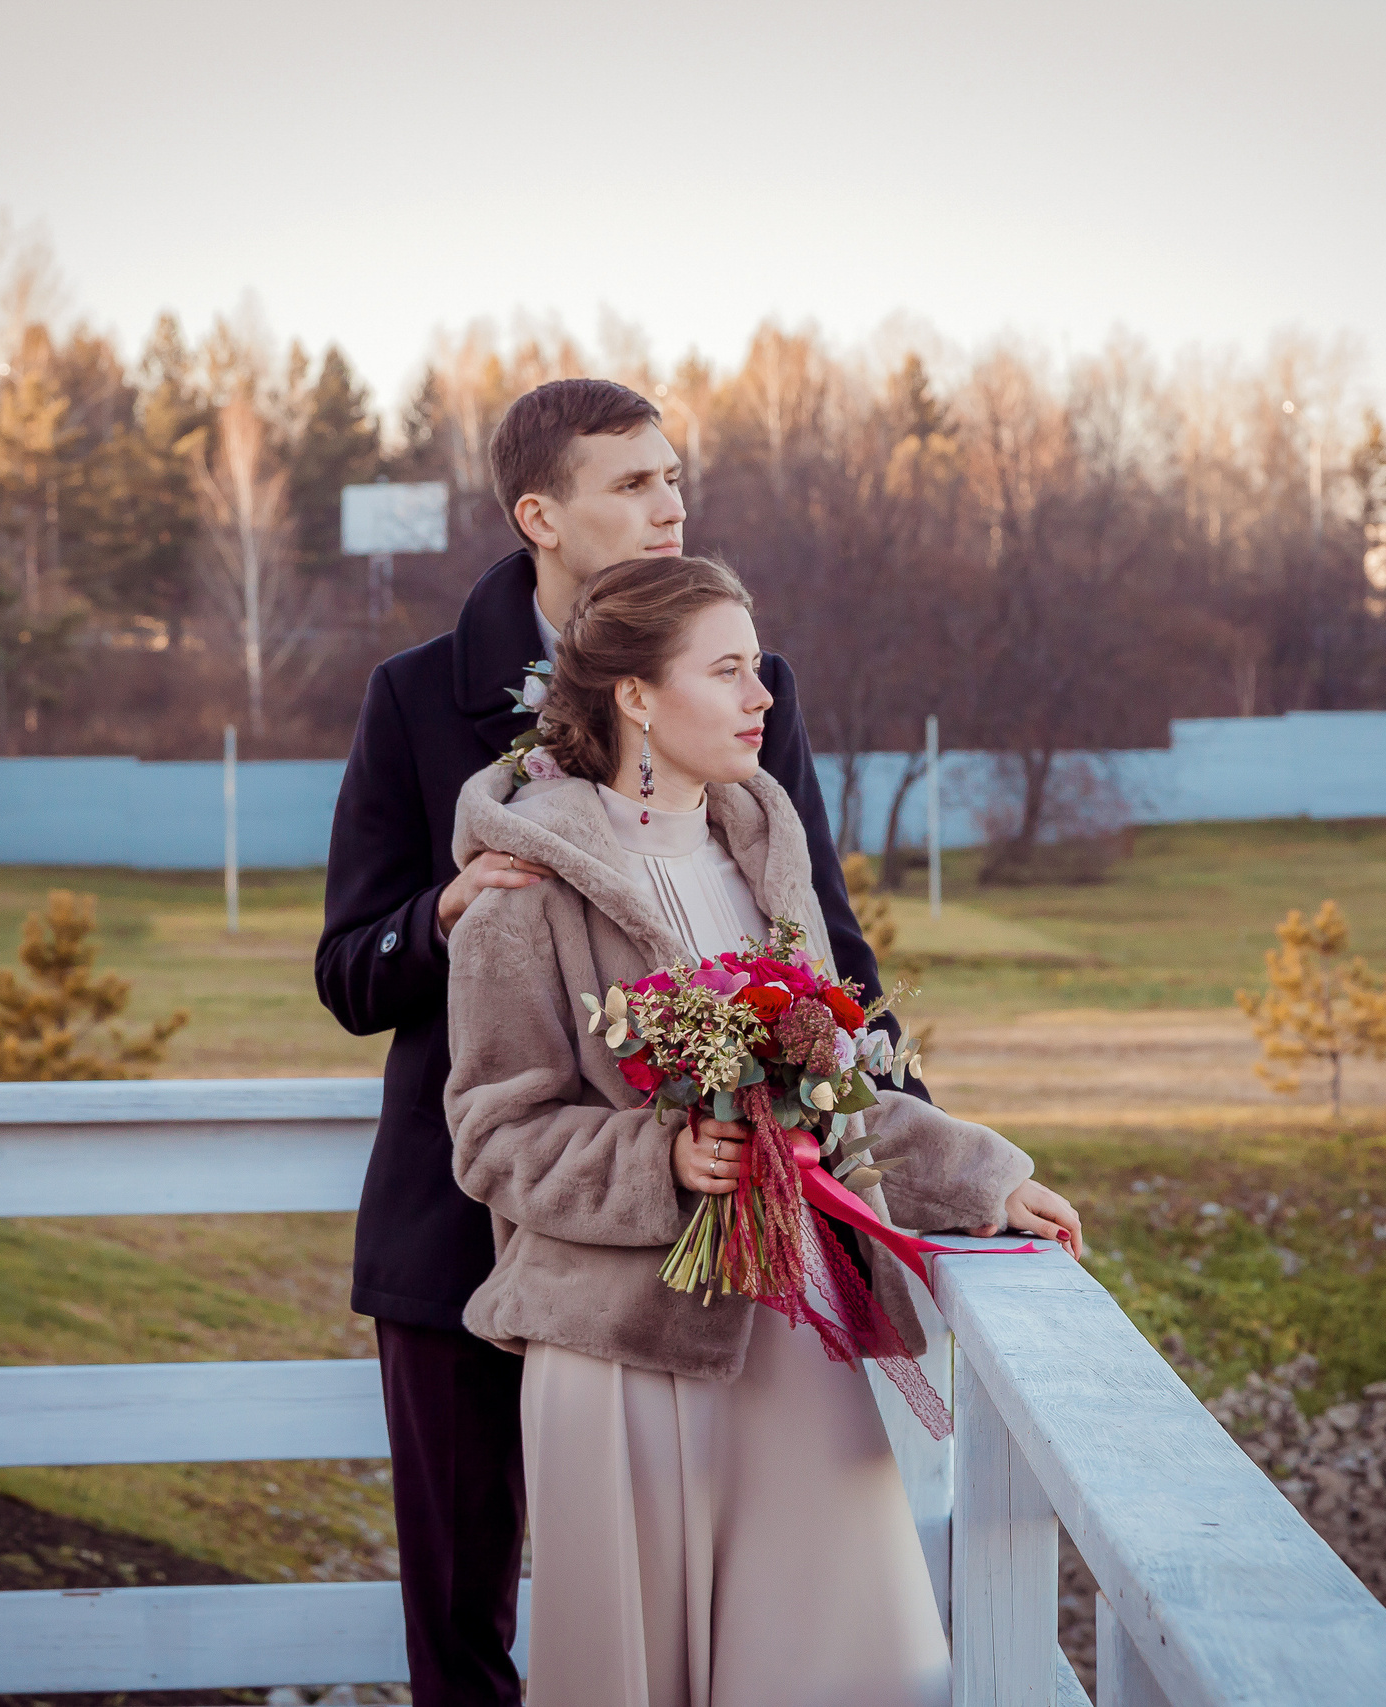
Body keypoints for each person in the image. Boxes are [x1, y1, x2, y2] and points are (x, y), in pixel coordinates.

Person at [314, 378, 914, 1704]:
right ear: (540, 512)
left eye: (673, 475)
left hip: (696, 1244)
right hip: (461, 1219)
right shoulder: (416, 697)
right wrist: (448, 908)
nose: (668, 501)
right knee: (466, 1622)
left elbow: (820, 946)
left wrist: (906, 1147)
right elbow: (349, 969)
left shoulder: (747, 685)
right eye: (633, 481)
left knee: (709, 1615)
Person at [442, 555, 1082, 1707]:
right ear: (636, 694)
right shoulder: (521, 885)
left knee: (851, 1664)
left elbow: (826, 1082)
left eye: (756, 667)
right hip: (620, 1352)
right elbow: (494, 1135)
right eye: (727, 670)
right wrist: (663, 1160)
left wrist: (979, 1177)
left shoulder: (762, 844)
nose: (761, 696)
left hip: (794, 1330)